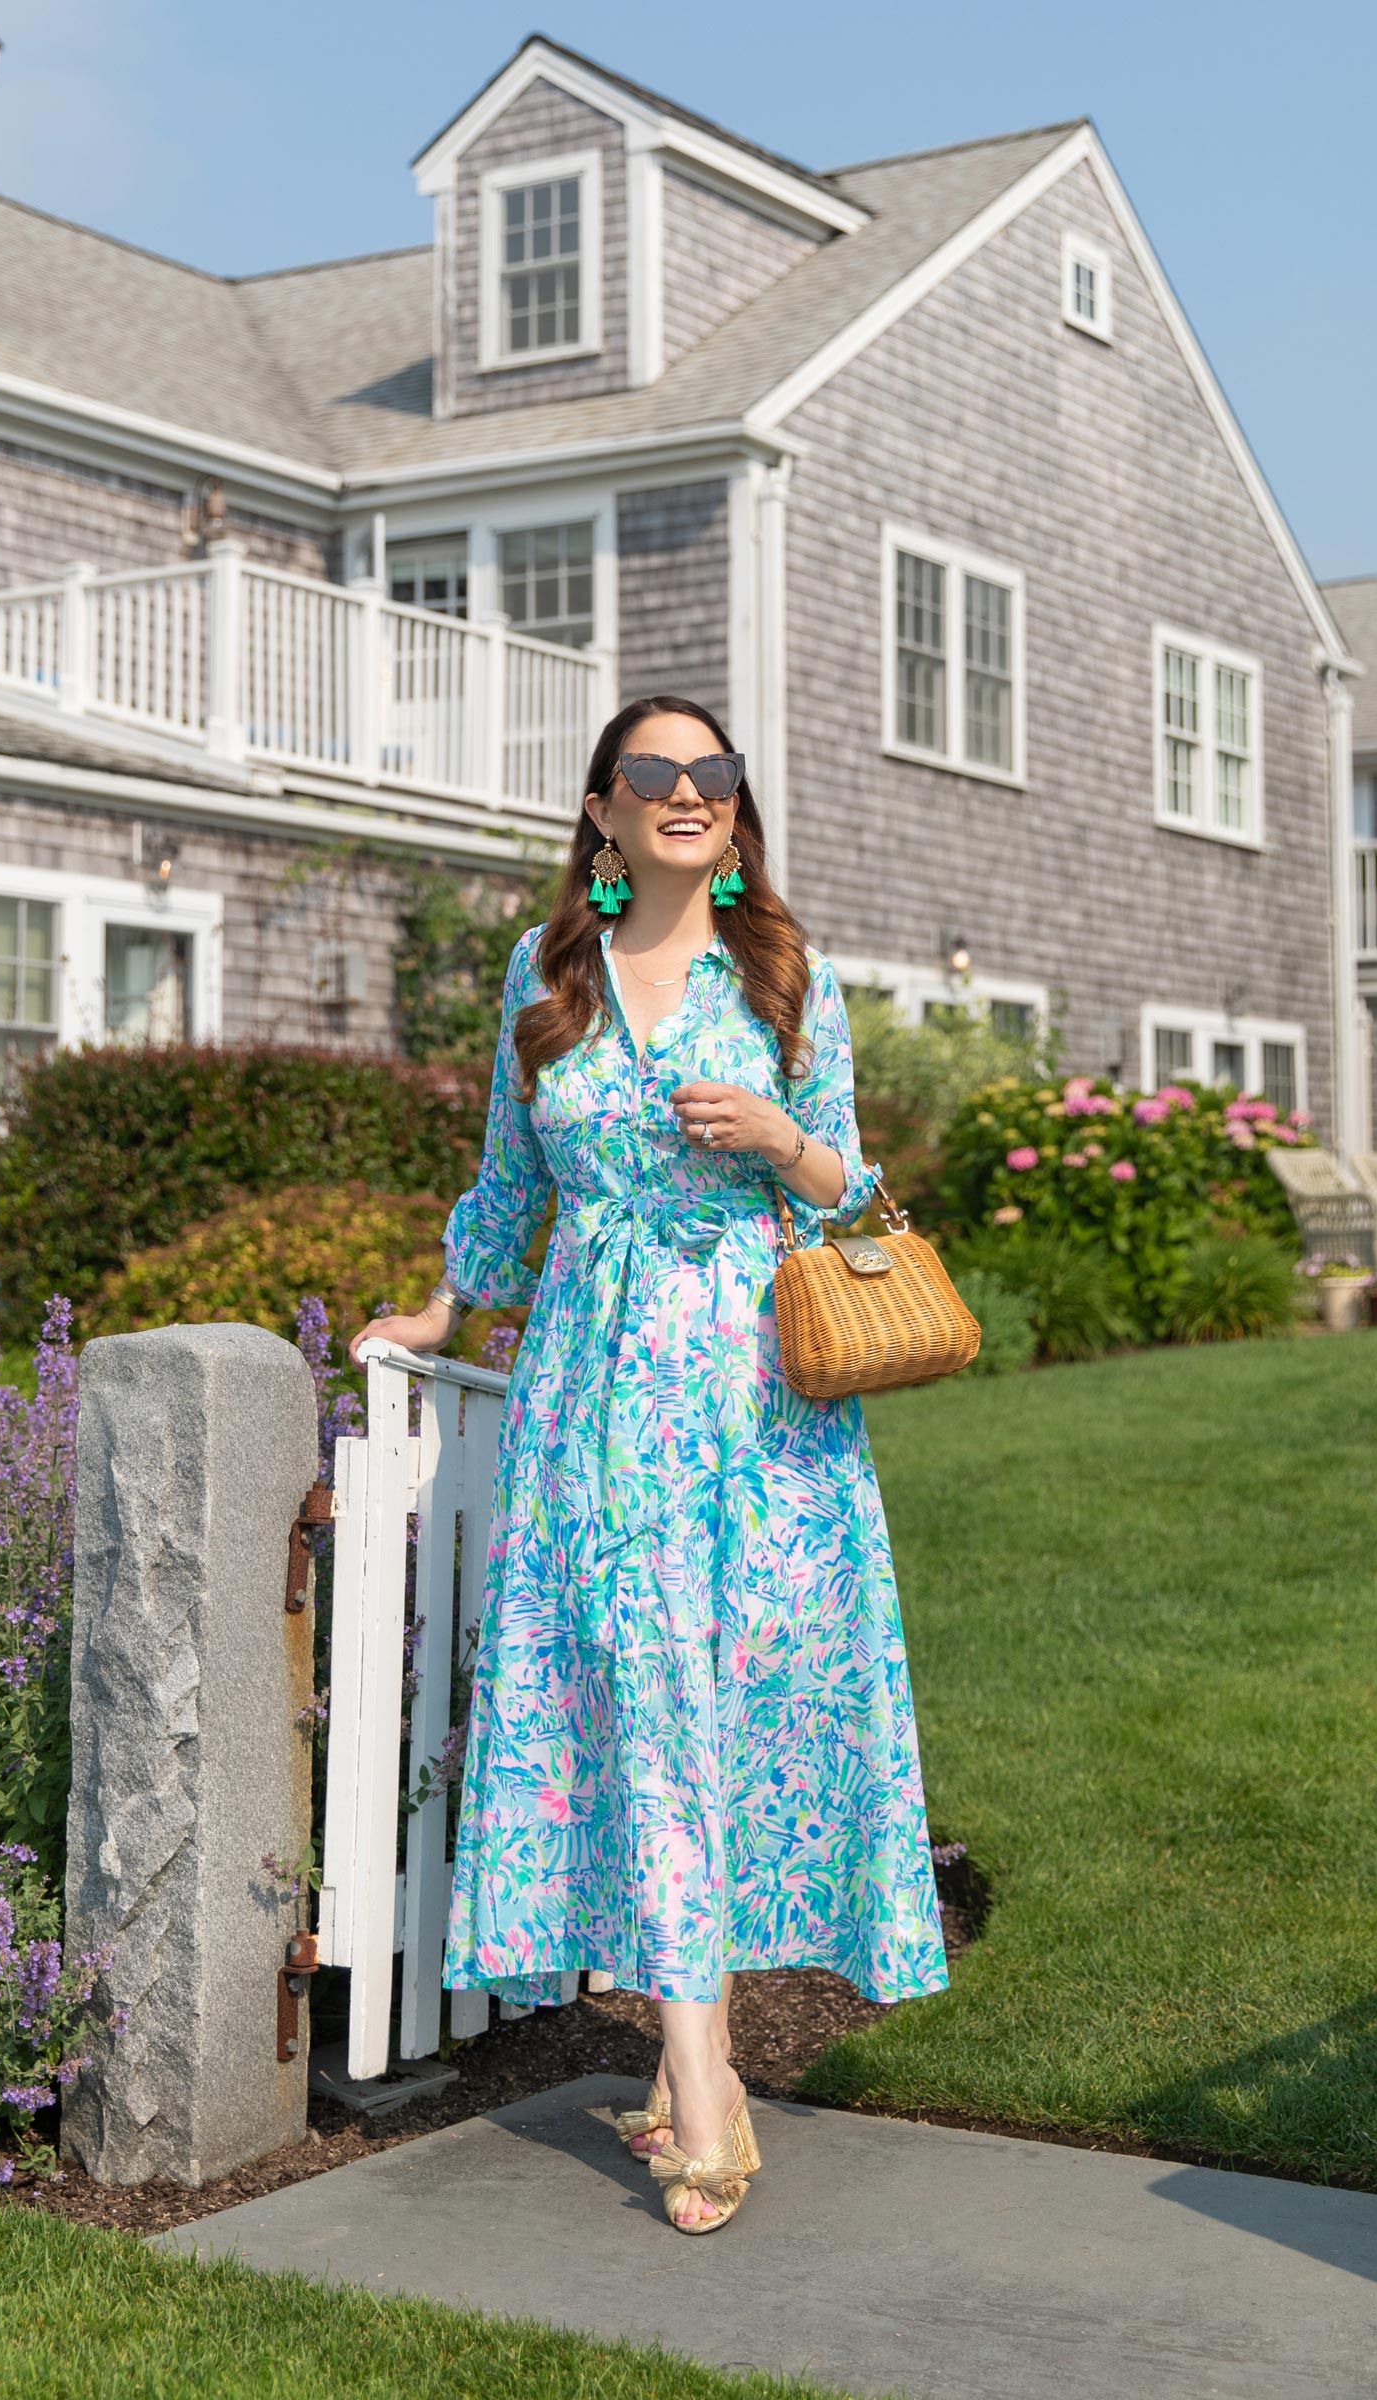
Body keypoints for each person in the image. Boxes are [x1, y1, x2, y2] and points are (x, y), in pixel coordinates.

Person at [351, 695, 949, 2234]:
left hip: (754, 1407)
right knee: (635, 1701)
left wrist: (777, 1137)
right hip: (588, 1401)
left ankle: (703, 2078)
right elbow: (508, 1177)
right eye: (655, 777)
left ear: (736, 810)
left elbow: (857, 1201)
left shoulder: (782, 975)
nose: (689, 796)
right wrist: (443, 1302)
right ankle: (707, 2083)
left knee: (717, 1709)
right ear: (603, 817)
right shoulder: (548, 974)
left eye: (715, 775)